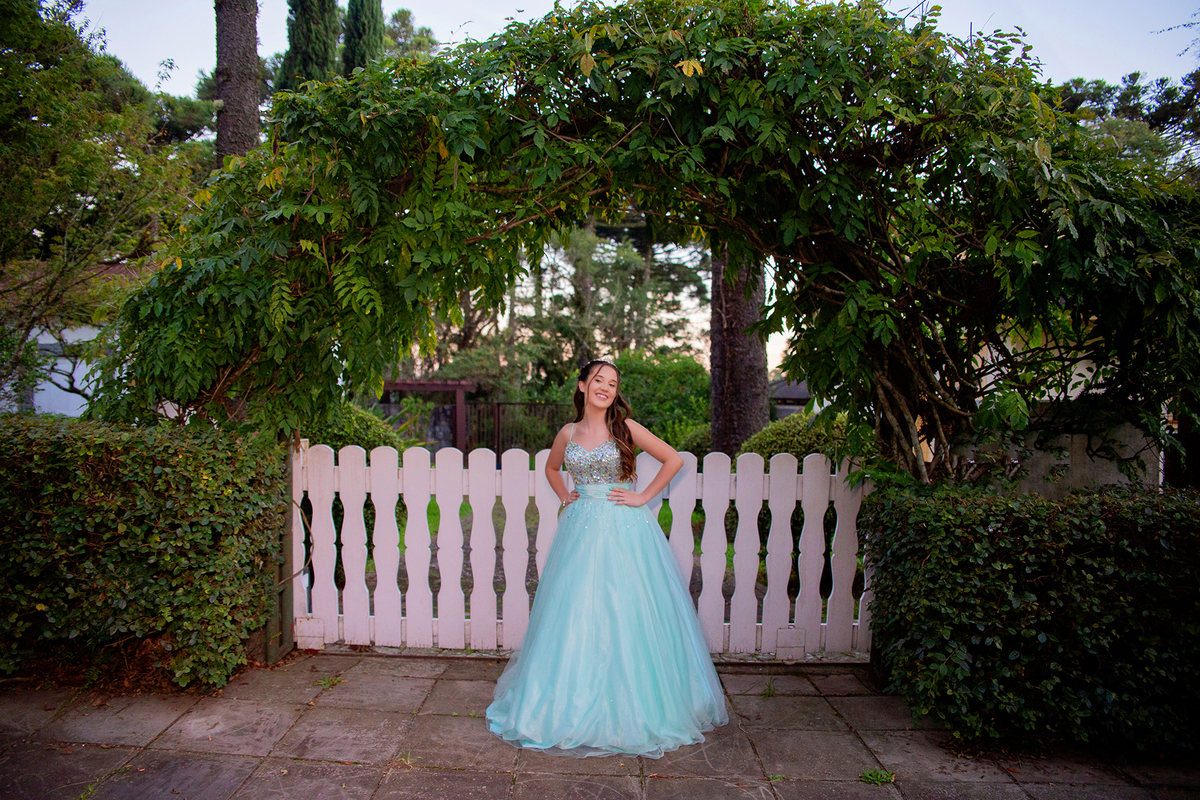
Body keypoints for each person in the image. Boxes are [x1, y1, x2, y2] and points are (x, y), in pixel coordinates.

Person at [486, 359, 728, 758]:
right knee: (575, 610)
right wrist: (566, 495)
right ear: (582, 386)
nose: (606, 388)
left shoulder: (625, 429)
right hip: (579, 530)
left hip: (624, 529)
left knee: (625, 608)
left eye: (612, 384)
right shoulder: (568, 431)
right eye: (599, 380)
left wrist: (642, 497)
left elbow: (674, 459)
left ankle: (637, 709)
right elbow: (550, 467)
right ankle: (568, 702)